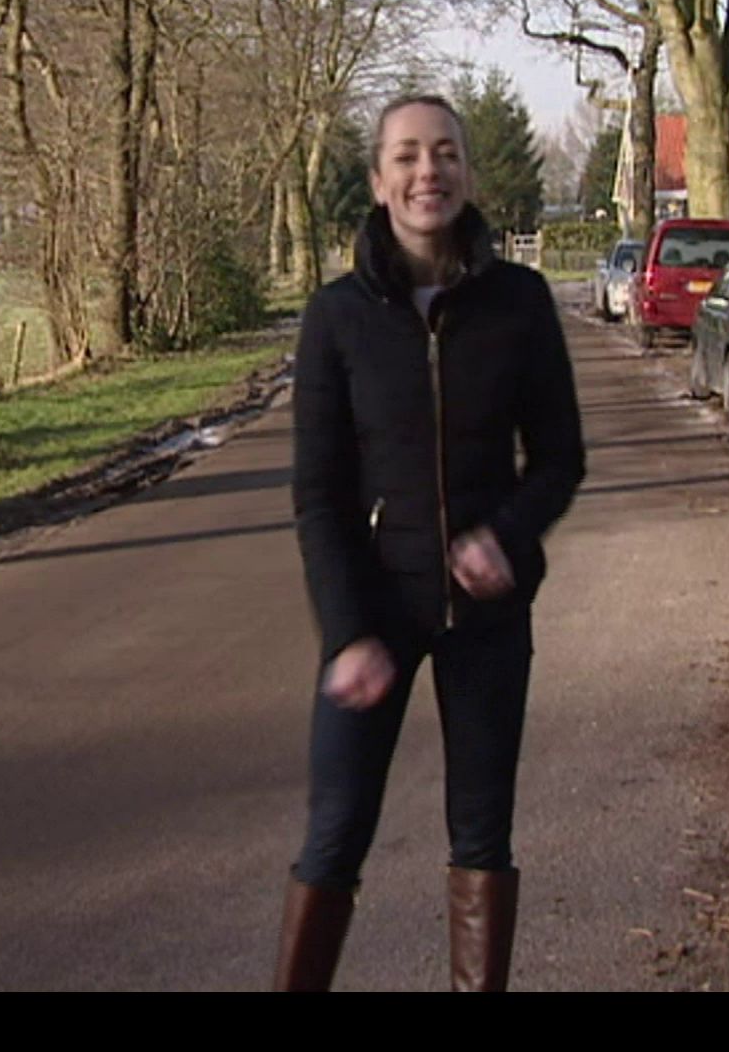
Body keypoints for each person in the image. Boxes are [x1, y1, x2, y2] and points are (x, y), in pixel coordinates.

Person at [272, 94, 586, 991]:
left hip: (488, 616)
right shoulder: (337, 317)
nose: (428, 172)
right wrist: (348, 632)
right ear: (379, 181)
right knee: (335, 835)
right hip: (376, 609)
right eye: (407, 155)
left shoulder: (519, 302)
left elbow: (560, 459)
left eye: (445, 153)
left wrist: (507, 538)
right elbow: (318, 495)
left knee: (482, 836)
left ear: (467, 173)